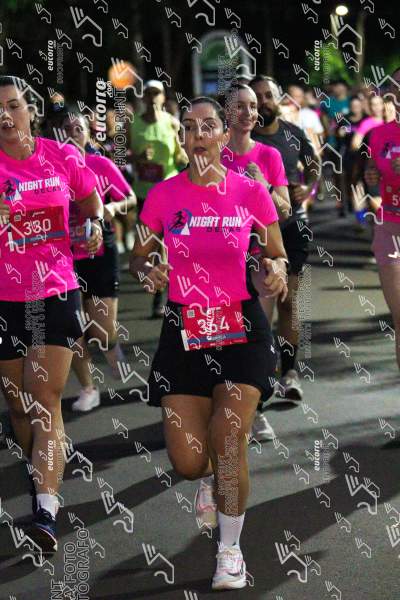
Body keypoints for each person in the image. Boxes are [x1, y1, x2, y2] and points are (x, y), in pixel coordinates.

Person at [129, 96, 288, 590]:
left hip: (241, 326)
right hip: (185, 327)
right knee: (188, 461)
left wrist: (276, 271)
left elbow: (276, 252)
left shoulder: (249, 192)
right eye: (189, 127)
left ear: (223, 136)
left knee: (229, 437)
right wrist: (147, 269)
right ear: (181, 138)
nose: (198, 135)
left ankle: (229, 552)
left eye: (208, 126)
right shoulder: (162, 196)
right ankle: (207, 479)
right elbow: (138, 255)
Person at [0, 76, 103, 553]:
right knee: (19, 405)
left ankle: (45, 510)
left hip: (55, 291)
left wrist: (94, 224)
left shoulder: (61, 156)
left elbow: (90, 200)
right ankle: (38, 466)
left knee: (45, 400)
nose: (5, 116)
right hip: (4, 298)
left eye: (13, 105)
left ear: (31, 111)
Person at [220, 83, 290, 441]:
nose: (248, 112)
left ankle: (256, 410)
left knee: (257, 337)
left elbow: (285, 209)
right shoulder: (212, 155)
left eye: (252, 106)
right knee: (228, 339)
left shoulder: (269, 155)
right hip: (220, 261)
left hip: (260, 259)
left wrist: (264, 186)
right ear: (226, 112)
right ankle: (231, 411)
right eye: (240, 106)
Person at [58, 107, 137, 412]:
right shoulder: (51, 167)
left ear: (89, 132)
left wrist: (111, 209)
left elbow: (129, 198)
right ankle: (88, 388)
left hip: (99, 252)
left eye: (78, 129)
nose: (72, 135)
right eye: (66, 130)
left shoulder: (99, 164)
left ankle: (116, 359)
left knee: (102, 330)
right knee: (72, 325)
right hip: (63, 257)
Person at [250, 75, 320, 404]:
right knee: (259, 307)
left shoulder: (293, 133)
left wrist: (309, 187)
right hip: (255, 231)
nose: (264, 102)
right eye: (258, 97)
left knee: (289, 302)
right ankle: (259, 375)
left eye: (269, 95)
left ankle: (290, 373)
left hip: (292, 226)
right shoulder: (243, 139)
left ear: (278, 99)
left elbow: (315, 163)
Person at [130, 80, 187, 318]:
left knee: (168, 243)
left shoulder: (172, 123)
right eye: (149, 93)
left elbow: (182, 156)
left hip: (170, 191)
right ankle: (159, 291)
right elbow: (122, 157)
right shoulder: (132, 124)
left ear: (164, 97)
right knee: (151, 246)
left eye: (157, 93)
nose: (153, 97)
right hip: (145, 193)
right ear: (143, 97)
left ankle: (164, 298)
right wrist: (138, 158)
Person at [366, 67, 400, 371]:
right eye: (395, 88)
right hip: (390, 226)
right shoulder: (378, 135)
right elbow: (373, 171)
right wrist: (372, 175)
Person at [287, 84, 324, 151]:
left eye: (300, 96)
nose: (297, 99)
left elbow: (320, 133)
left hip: (309, 152)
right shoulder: (282, 115)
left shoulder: (310, 114)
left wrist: (317, 148)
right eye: (294, 96)